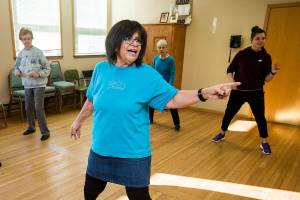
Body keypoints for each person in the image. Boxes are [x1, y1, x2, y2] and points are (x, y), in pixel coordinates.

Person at [70, 20, 240, 200]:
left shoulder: (146, 74)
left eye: (139, 40)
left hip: (133, 153)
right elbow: (91, 100)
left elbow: (174, 98)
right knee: (90, 192)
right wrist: (78, 120)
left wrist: (203, 93)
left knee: (139, 196)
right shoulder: (101, 69)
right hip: (101, 150)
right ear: (115, 41)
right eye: (129, 38)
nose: (135, 44)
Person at [211, 26, 280, 155]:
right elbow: (229, 70)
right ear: (252, 39)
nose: (261, 41)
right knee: (229, 113)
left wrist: (273, 72)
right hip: (239, 92)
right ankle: (222, 133)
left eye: (263, 38)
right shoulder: (242, 54)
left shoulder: (266, 57)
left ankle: (264, 142)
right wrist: (232, 83)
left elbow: (267, 79)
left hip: (256, 92)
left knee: (260, 118)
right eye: (258, 38)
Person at [14, 27, 51, 141]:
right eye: (24, 39)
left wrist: (39, 74)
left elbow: (47, 68)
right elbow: (16, 67)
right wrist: (17, 72)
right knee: (28, 107)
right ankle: (31, 127)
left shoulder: (38, 52)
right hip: (27, 84)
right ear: (21, 40)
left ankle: (45, 132)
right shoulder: (20, 54)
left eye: (28, 38)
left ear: (32, 38)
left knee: (38, 108)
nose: (26, 41)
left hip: (39, 85)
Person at [149, 39, 180, 131]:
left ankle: (177, 124)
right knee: (151, 102)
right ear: (157, 49)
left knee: (172, 104)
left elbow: (172, 74)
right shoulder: (155, 58)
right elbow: (153, 72)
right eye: (159, 47)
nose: (161, 49)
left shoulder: (171, 60)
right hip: (157, 85)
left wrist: (169, 86)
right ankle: (150, 120)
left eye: (163, 47)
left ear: (166, 48)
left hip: (167, 86)